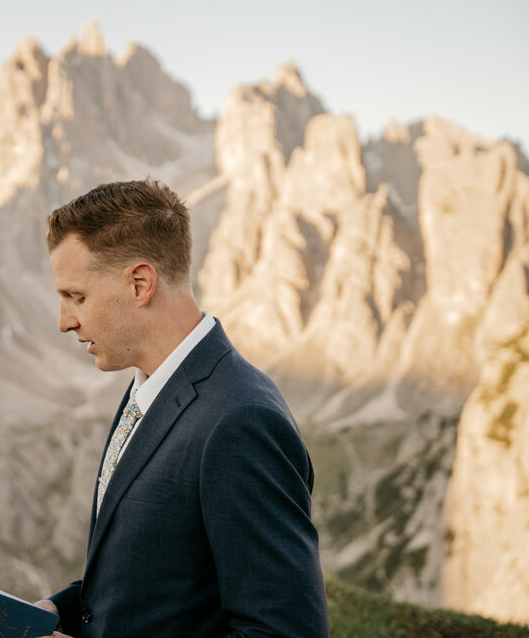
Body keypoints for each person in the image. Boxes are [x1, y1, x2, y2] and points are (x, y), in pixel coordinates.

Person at [34, 180, 329, 637]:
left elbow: (283, 632)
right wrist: (57, 611)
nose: (65, 321)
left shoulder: (240, 420)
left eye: (77, 297)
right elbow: (153, 579)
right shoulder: (146, 389)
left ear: (140, 283)